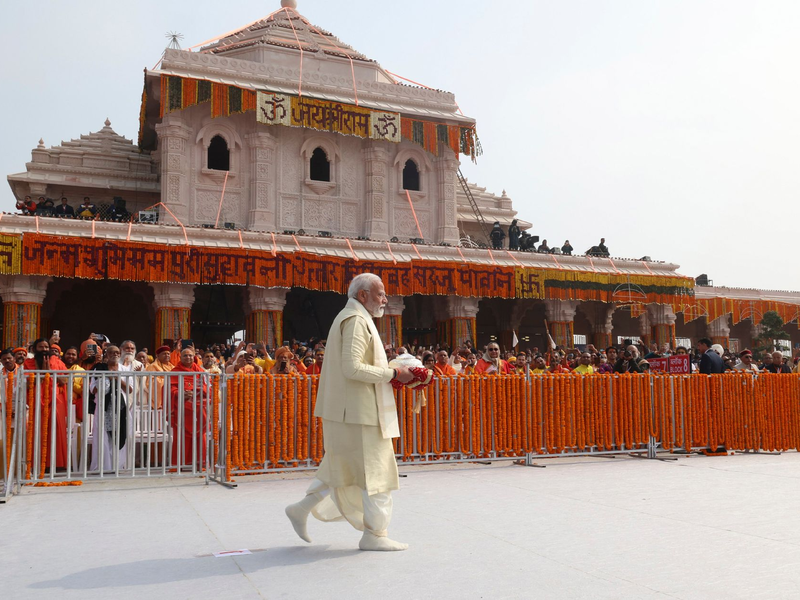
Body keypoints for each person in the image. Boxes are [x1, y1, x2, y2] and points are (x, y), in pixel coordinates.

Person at [285, 273, 414, 552]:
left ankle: (300, 509)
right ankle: (375, 534)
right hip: (359, 412)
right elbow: (352, 368)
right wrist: (393, 373)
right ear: (363, 295)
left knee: (341, 466)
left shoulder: (353, 317)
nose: (385, 298)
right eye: (380, 293)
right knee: (376, 473)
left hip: (350, 411)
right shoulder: (355, 320)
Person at [24, 338, 69, 470]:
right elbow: (28, 384)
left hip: (55, 401)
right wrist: (41, 373)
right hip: (36, 401)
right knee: (37, 430)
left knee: (56, 430)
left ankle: (57, 464)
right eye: (40, 347)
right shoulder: (28, 363)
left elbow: (64, 380)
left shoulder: (57, 361)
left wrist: (49, 371)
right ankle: (35, 464)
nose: (44, 350)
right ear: (34, 349)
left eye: (46, 347)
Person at [89, 345, 132, 472]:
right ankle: (103, 466)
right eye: (112, 352)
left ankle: (117, 466)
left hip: (120, 407)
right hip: (104, 407)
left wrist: (117, 378)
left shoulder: (124, 369)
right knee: (103, 436)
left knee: (119, 434)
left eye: (117, 352)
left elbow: (129, 389)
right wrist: (104, 378)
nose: (115, 354)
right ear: (106, 355)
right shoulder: (99, 369)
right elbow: (93, 389)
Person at [169, 347, 208, 469]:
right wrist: (180, 393)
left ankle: (200, 464)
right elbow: (169, 389)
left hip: (198, 410)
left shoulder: (200, 371)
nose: (188, 358)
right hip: (182, 410)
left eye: (190, 355)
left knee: (200, 437)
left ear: (194, 357)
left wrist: (198, 391)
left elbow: (208, 389)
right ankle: (178, 465)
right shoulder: (175, 371)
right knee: (180, 437)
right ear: (180, 357)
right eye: (185, 355)